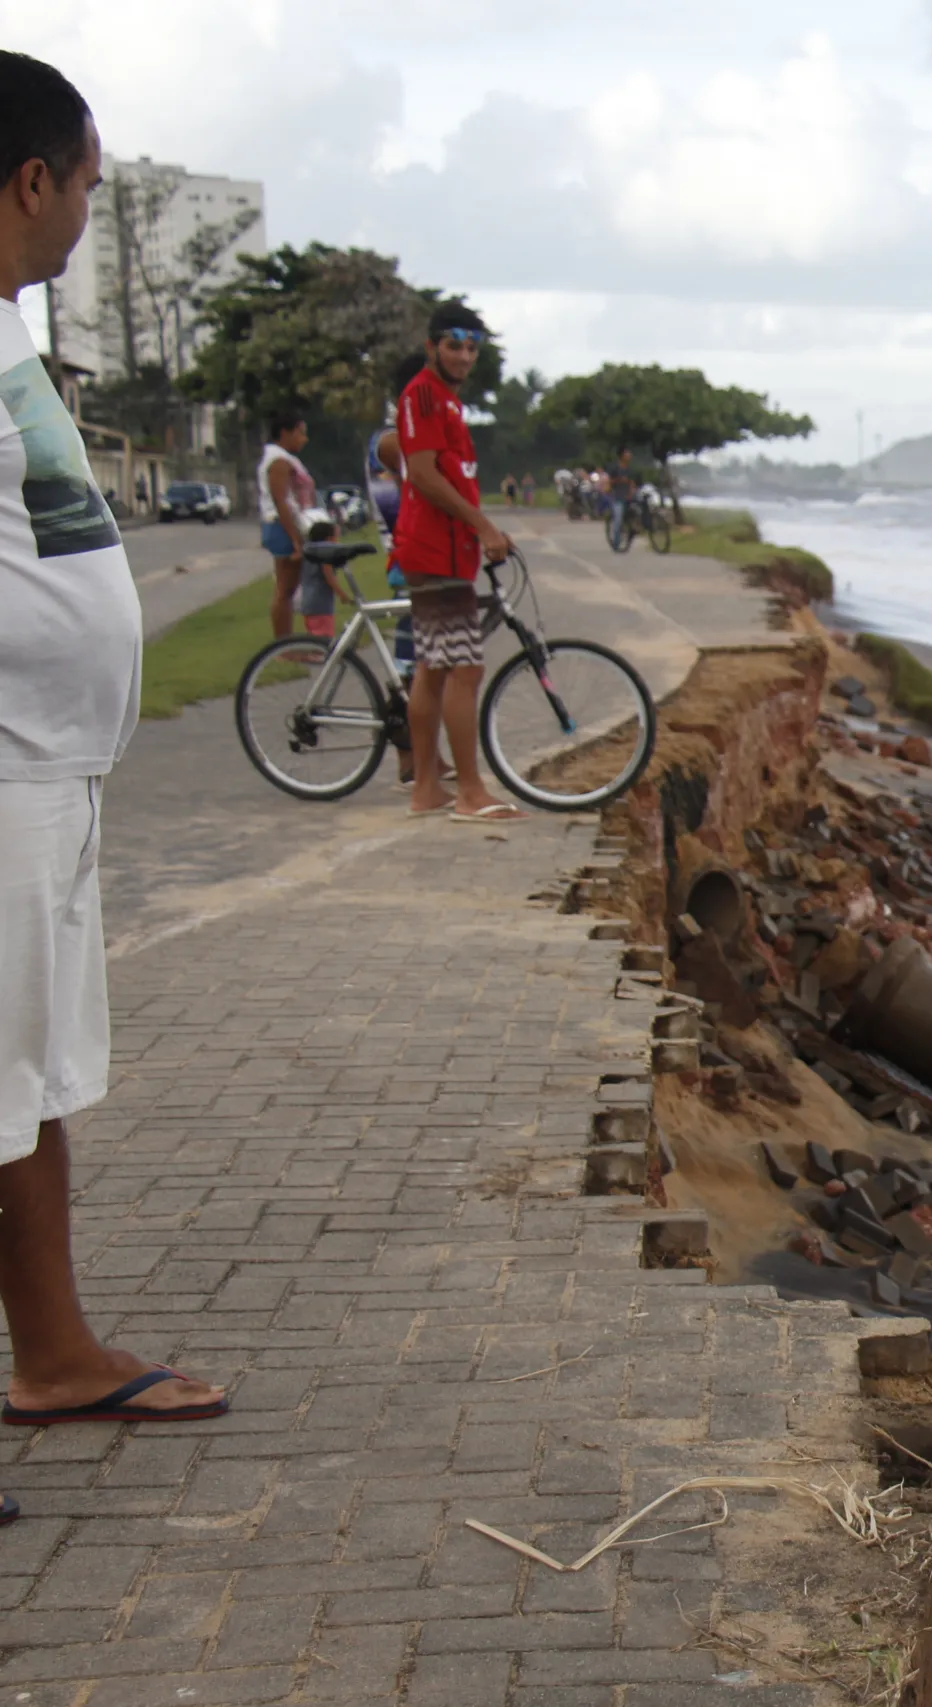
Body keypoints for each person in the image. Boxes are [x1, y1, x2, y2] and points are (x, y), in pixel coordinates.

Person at [0, 53, 229, 1512]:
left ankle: (56, 1350)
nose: (90, 206)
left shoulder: (10, 343)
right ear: (31, 179)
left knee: (18, 1074)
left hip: (46, 771)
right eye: (86, 180)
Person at [393, 301, 522, 823]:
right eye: (454, 344)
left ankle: (427, 787)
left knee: (434, 666)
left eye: (472, 346)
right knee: (465, 668)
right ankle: (470, 791)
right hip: (434, 550)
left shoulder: (444, 401)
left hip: (444, 549)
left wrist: (483, 526)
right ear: (432, 347)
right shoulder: (423, 394)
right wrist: (483, 525)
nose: (464, 355)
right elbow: (423, 474)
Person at [257, 410, 317, 637]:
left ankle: (287, 643)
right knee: (285, 590)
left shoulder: (285, 458)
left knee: (289, 590)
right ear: (285, 433)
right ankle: (283, 647)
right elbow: (281, 500)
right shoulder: (278, 461)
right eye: (300, 433)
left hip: (289, 526)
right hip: (282, 527)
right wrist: (295, 540)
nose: (304, 438)